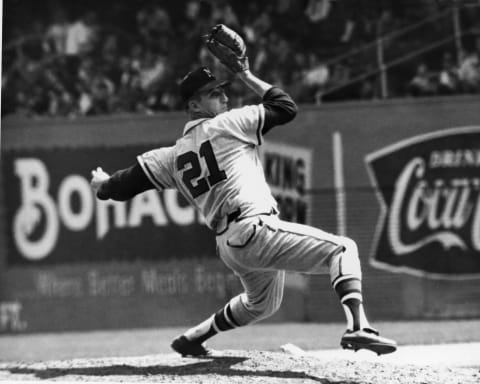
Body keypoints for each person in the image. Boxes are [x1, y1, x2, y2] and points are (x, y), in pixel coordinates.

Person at [90, 25, 397, 357]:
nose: (223, 95)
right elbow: (285, 106)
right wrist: (246, 73)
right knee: (342, 250)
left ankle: (192, 338)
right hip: (254, 228)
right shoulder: (230, 123)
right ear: (194, 104)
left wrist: (101, 184)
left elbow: (122, 186)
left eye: (223, 89)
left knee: (261, 305)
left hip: (230, 245)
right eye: (213, 93)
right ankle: (359, 328)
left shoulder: (171, 156)